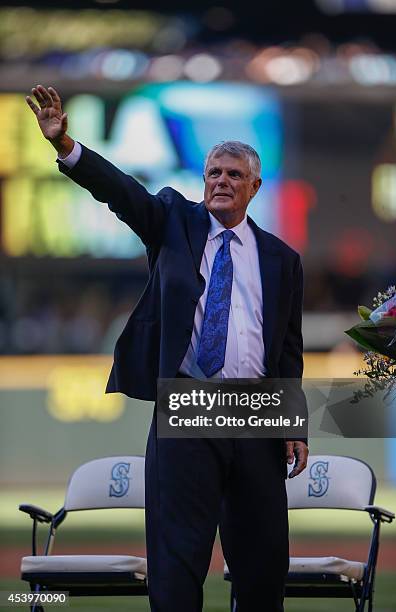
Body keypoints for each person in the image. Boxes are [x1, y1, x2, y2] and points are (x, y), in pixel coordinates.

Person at [26, 84, 309, 612]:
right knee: (179, 557)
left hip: (256, 410)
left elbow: (288, 351)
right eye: (213, 173)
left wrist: (294, 425)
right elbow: (120, 190)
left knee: (262, 562)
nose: (221, 181)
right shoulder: (173, 221)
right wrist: (66, 146)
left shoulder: (281, 258)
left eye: (233, 175)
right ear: (202, 182)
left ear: (254, 187)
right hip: (189, 400)